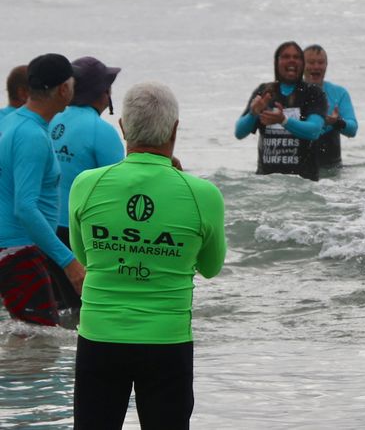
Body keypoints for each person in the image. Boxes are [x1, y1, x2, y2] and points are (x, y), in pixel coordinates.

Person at [69, 81, 226, 429]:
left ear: (123, 127)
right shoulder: (203, 195)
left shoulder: (86, 184)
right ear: (174, 130)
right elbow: (211, 267)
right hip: (167, 341)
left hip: (100, 338)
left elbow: (85, 255)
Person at [0, 54, 85, 326]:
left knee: (33, 342)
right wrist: (68, 262)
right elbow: (25, 207)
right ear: (63, 89)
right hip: (18, 251)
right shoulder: (31, 135)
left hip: (16, 249)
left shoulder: (15, 122)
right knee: (36, 344)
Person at [45, 56, 125, 317]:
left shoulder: (49, 120)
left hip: (40, 232)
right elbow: (121, 193)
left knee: (53, 312)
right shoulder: (101, 131)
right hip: (75, 237)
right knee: (85, 312)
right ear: (103, 93)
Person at [235, 41, 327, 181]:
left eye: (297, 57)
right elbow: (239, 133)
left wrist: (283, 120)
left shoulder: (313, 93)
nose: (291, 60)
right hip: (266, 183)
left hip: (304, 183)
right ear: (276, 63)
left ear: (303, 64)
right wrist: (253, 114)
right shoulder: (264, 91)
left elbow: (314, 130)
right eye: (285, 56)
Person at [303, 44, 358, 168]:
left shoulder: (339, 93)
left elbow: (353, 129)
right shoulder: (292, 93)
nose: (316, 66)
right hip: (298, 165)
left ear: (326, 65)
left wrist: (336, 122)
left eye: (321, 62)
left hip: (332, 167)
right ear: (301, 65)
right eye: (311, 62)